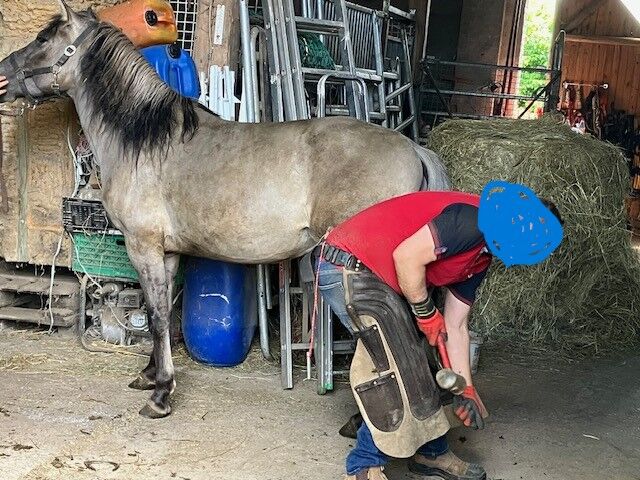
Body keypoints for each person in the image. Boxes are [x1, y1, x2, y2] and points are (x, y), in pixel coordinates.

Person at [314, 182, 564, 480]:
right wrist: (425, 312)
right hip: (350, 266)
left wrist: (466, 388)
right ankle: (364, 466)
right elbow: (406, 257)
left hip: (383, 279)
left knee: (430, 363)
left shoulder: (481, 258)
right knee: (399, 366)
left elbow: (456, 327)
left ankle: (431, 453)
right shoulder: (470, 220)